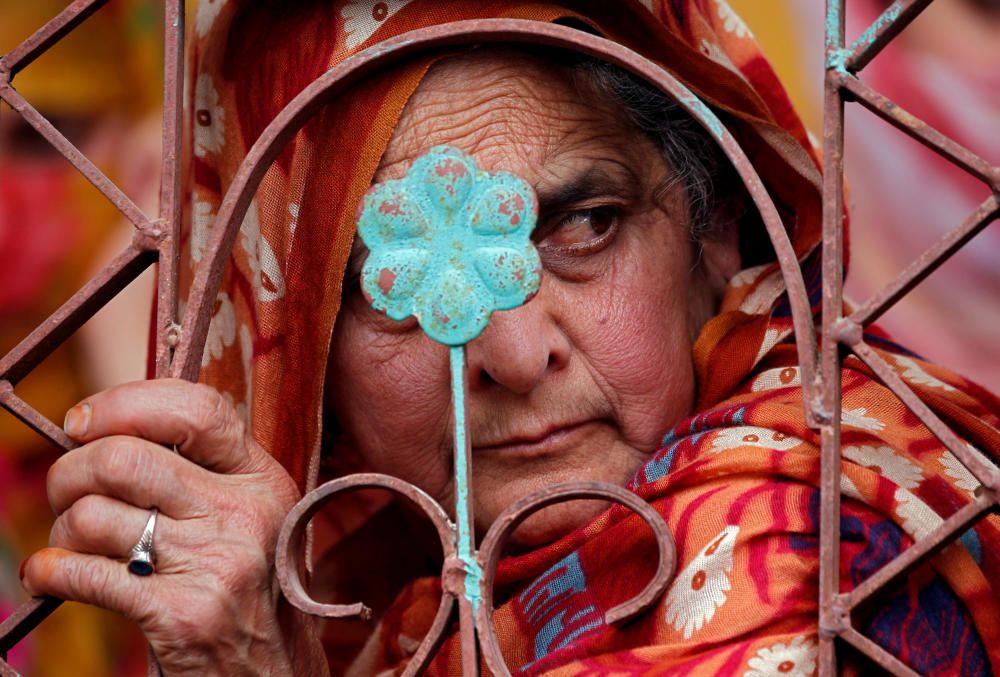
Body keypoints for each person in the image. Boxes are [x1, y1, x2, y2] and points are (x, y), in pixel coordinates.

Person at [15, 1, 1000, 675]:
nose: (515, 354)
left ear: (715, 236)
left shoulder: (818, 525)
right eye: (392, 280)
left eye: (585, 226)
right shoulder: (356, 582)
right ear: (303, 338)